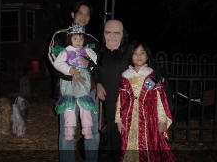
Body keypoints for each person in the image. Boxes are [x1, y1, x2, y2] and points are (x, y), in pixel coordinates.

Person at [47, 1, 99, 162]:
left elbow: (98, 64)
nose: (83, 17)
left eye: (87, 14)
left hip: (89, 90)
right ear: (72, 14)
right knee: (67, 131)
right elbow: (53, 58)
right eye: (80, 13)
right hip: (67, 90)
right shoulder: (60, 35)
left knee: (92, 129)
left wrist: (89, 66)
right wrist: (71, 73)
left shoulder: (92, 40)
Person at [115, 40, 176, 162]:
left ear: (147, 55)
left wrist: (162, 120)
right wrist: (118, 119)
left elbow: (160, 100)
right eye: (135, 53)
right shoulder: (125, 77)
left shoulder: (152, 76)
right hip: (130, 122)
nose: (138, 56)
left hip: (150, 122)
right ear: (130, 56)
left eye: (142, 53)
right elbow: (120, 100)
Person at [53, 24, 98, 141]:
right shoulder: (66, 51)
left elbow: (96, 60)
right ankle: (69, 128)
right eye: (75, 38)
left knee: (85, 105)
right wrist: (69, 70)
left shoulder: (86, 50)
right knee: (69, 105)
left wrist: (89, 60)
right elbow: (57, 64)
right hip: (69, 82)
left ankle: (87, 128)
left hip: (83, 82)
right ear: (70, 39)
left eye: (81, 39)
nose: (78, 41)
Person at [95, 19, 129, 161]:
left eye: (117, 33)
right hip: (109, 101)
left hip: (129, 102)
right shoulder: (99, 53)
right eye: (108, 32)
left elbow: (151, 66)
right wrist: (97, 83)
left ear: (123, 34)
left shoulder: (130, 51)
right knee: (113, 133)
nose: (112, 36)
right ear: (103, 34)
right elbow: (94, 71)